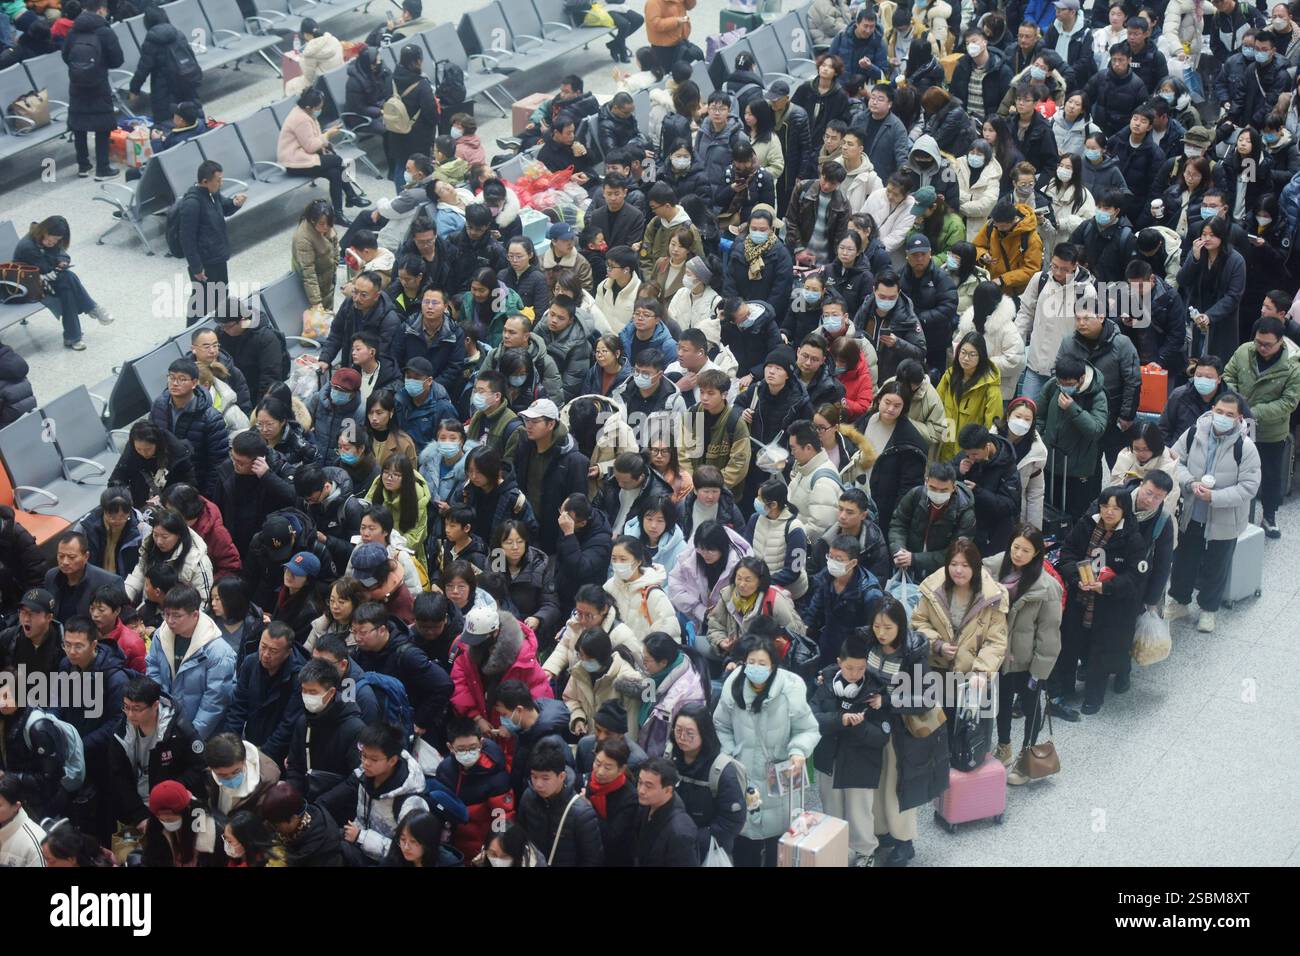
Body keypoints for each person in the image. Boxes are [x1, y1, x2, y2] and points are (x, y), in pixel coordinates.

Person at [714, 634, 820, 867]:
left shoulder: (790, 690)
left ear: (773, 665)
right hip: (743, 774)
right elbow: (720, 724)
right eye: (751, 662)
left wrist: (798, 751)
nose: (755, 668)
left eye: (762, 663)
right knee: (744, 840)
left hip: (781, 773)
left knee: (779, 844)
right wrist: (731, 752)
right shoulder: (734, 686)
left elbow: (808, 729)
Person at [1164, 393, 1261, 634]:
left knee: (1217, 563)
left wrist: (1215, 497)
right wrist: (1190, 483)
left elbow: (1249, 487)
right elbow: (1175, 461)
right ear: (1212, 409)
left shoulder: (1245, 447)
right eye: (1220, 412)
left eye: (1230, 415)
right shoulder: (1193, 433)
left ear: (1239, 418)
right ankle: (1180, 601)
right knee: (1184, 559)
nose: (1223, 417)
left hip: (1224, 518)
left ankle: (1209, 610)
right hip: (1192, 511)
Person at [1048, 486, 1148, 717]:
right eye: (1105, 506)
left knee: (1100, 653)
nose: (1109, 512)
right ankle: (1066, 689)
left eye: (1115, 508)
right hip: (1079, 599)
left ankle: (1094, 698)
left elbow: (1136, 576)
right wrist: (1075, 577)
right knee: (1070, 645)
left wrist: (1107, 587)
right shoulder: (1086, 525)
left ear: (1124, 510)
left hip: (1111, 608)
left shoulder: (1132, 538)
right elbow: (1067, 553)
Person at [1223, 317, 1300, 538]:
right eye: (1259, 342)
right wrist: (1235, 403)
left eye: (1268, 344)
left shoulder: (1293, 365)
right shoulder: (1244, 351)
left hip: (1270, 431)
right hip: (1238, 425)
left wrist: (1251, 412)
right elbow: (1228, 375)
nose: (1262, 348)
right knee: (1234, 469)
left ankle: (1270, 516)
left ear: (1280, 342)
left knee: (1270, 475)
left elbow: (1289, 402)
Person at [106, 676, 208, 832]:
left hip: (173, 803)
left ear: (155, 705)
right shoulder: (120, 734)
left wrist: (171, 791)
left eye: (137, 708)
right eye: (126, 707)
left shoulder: (180, 730)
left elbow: (199, 766)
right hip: (138, 804)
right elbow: (119, 777)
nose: (130, 714)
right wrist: (139, 815)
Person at [144, 584, 236, 740]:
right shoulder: (161, 635)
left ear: (195, 615)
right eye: (166, 614)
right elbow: (153, 669)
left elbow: (214, 701)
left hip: (202, 733)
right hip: (164, 722)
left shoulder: (218, 652)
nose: (170, 621)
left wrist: (191, 737)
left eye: (177, 615)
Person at [1058, 293, 1142, 462]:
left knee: (1119, 465)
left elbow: (1132, 382)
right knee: (1087, 470)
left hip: (1114, 415)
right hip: (1081, 414)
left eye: (1087, 318)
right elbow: (1058, 375)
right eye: (1078, 318)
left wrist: (1126, 416)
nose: (1081, 323)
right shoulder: (1068, 343)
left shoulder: (1122, 344)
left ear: (1101, 317)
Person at [11, 216, 113, 350]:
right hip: (26, 285)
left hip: (48, 280)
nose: (51, 243)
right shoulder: (28, 247)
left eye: (55, 241)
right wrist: (58, 264)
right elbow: (45, 268)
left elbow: (61, 253)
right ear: (44, 231)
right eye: (49, 239)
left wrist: (62, 261)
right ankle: (90, 311)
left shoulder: (48, 238)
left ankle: (75, 336)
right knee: (68, 278)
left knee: (67, 290)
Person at [283, 657, 366, 812]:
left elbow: (357, 777)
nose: (307, 696)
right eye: (304, 691)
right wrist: (293, 798)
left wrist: (322, 804)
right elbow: (295, 765)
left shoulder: (355, 729)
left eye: (313, 692)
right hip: (307, 803)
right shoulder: (303, 722)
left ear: (331, 692)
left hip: (340, 809)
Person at [1038, 353, 1110, 519]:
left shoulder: (1097, 395)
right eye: (1060, 383)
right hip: (1050, 462)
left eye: (1069, 384)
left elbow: (1096, 430)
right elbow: (1039, 416)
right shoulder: (1052, 386)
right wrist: (1041, 438)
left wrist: (1072, 408)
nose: (1063, 387)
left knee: (1075, 515)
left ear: (1082, 378)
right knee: (1049, 512)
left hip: (1078, 470)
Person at [517, 739, 604, 866]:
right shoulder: (528, 797)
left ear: (562, 776)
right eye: (534, 776)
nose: (538, 784)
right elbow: (521, 836)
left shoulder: (581, 813)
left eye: (545, 778)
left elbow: (592, 859)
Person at [63, 0, 123, 180]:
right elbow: (117, 60)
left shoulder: (74, 30)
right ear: (101, 9)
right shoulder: (105, 31)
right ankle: (103, 168)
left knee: (79, 124)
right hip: (98, 83)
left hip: (77, 83)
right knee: (102, 125)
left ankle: (83, 165)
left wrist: (80, 69)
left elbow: (65, 55)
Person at [888, 462, 978, 579]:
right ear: (926, 482)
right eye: (933, 488)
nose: (938, 493)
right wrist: (899, 551)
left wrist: (915, 559)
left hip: (940, 574)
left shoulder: (964, 512)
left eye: (944, 490)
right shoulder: (916, 495)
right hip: (906, 566)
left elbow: (956, 552)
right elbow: (898, 524)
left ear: (953, 488)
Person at [127, 2, 200, 120]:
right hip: (186, 80)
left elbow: (143, 68)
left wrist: (134, 89)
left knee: (168, 122)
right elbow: (191, 56)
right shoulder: (178, 34)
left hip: (164, 88)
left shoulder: (151, 41)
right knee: (193, 116)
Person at [261, 781, 344, 867]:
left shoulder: (322, 851)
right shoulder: (296, 824)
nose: (276, 830)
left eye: (276, 825)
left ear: (294, 818)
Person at [43, 530, 120, 621]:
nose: (65, 562)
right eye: (61, 556)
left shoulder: (108, 582)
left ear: (86, 556)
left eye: (71, 557)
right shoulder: (51, 576)